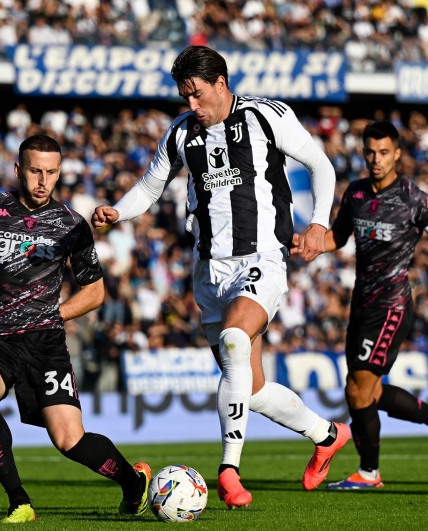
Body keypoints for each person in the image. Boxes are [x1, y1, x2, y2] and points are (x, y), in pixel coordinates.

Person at [92, 45, 350, 508]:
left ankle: (228, 471)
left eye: (197, 95)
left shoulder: (266, 117)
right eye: (184, 96)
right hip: (208, 271)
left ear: (221, 84)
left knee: (234, 339)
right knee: (248, 387)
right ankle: (327, 434)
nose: (191, 105)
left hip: (262, 258)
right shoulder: (180, 134)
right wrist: (118, 211)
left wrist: (319, 223)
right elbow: (151, 187)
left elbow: (321, 165)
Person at [0, 134, 151, 523]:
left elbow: (95, 292)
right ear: (18, 169)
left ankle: (134, 485)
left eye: (50, 172)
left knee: (69, 440)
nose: (42, 179)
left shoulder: (72, 225)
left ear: (60, 172)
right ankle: (19, 501)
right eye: (34, 170)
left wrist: (53, 315)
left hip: (45, 342)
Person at [298, 121, 428, 490]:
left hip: (391, 305)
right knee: (367, 392)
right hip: (361, 303)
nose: (376, 160)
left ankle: (369, 473)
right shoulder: (356, 194)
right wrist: (312, 244)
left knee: (358, 391)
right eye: (370, 152)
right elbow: (338, 238)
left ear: (397, 154)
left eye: (384, 153)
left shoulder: (413, 198)